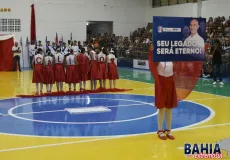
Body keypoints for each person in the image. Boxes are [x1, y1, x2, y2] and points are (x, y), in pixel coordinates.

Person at [148, 45, 177, 140]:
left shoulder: (172, 58)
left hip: (170, 82)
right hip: (161, 82)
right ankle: (160, 130)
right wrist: (151, 51)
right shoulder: (157, 58)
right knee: (162, 108)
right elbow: (151, 62)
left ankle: (169, 130)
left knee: (169, 108)